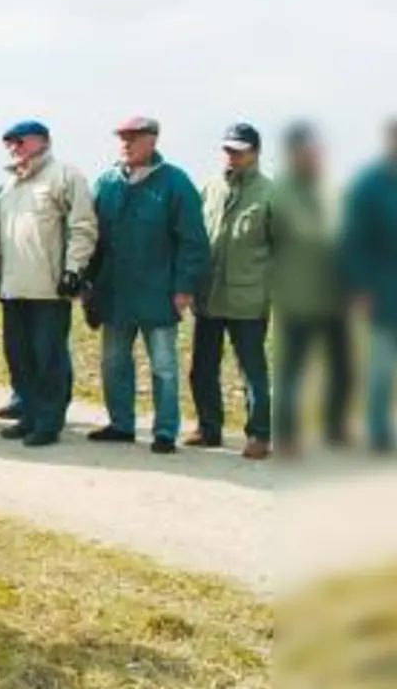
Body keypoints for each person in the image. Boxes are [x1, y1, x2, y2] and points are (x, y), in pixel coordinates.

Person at [84, 117, 209, 454]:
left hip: (159, 292)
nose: (126, 143)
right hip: (115, 292)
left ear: (152, 140)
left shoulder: (175, 183)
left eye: (134, 137)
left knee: (164, 367)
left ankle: (165, 431)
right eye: (122, 137)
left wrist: (184, 287)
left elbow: (193, 241)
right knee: (114, 363)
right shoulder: (107, 183)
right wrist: (88, 284)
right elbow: (92, 238)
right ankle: (121, 424)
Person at [0, 120, 97, 447]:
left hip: (49, 288)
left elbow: (83, 226)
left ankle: (49, 422)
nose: (14, 147)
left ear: (43, 141)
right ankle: (29, 415)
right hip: (13, 287)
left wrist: (74, 269)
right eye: (9, 142)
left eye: (20, 140)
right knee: (18, 356)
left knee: (48, 356)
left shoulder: (66, 176)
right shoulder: (8, 186)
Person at [188, 124, 278, 459]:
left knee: (252, 371)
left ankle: (259, 435)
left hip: (248, 300)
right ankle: (208, 428)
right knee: (202, 368)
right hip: (208, 297)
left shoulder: (271, 195)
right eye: (227, 149)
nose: (232, 156)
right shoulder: (209, 188)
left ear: (255, 152)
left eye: (239, 150)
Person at [270, 123, 351, 453]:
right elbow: (312, 235)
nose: (316, 155)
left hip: (333, 298)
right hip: (298, 298)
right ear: (295, 153)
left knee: (344, 368)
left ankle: (334, 428)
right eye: (309, 150)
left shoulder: (327, 189)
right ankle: (287, 437)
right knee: (293, 372)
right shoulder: (284, 192)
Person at [342, 118, 397, 453]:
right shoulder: (370, 185)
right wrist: (361, 288)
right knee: (380, 368)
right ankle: (378, 433)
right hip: (384, 294)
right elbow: (354, 241)